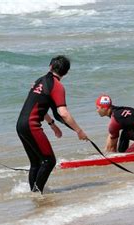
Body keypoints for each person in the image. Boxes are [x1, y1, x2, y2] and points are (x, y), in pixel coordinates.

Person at [16, 55, 88, 193]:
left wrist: (52, 124)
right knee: (49, 161)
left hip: (20, 124)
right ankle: (37, 194)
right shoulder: (57, 86)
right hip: (31, 126)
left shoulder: (39, 81)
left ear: (50, 66)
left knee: (36, 163)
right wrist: (79, 131)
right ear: (66, 72)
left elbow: (38, 106)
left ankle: (34, 194)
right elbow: (63, 113)